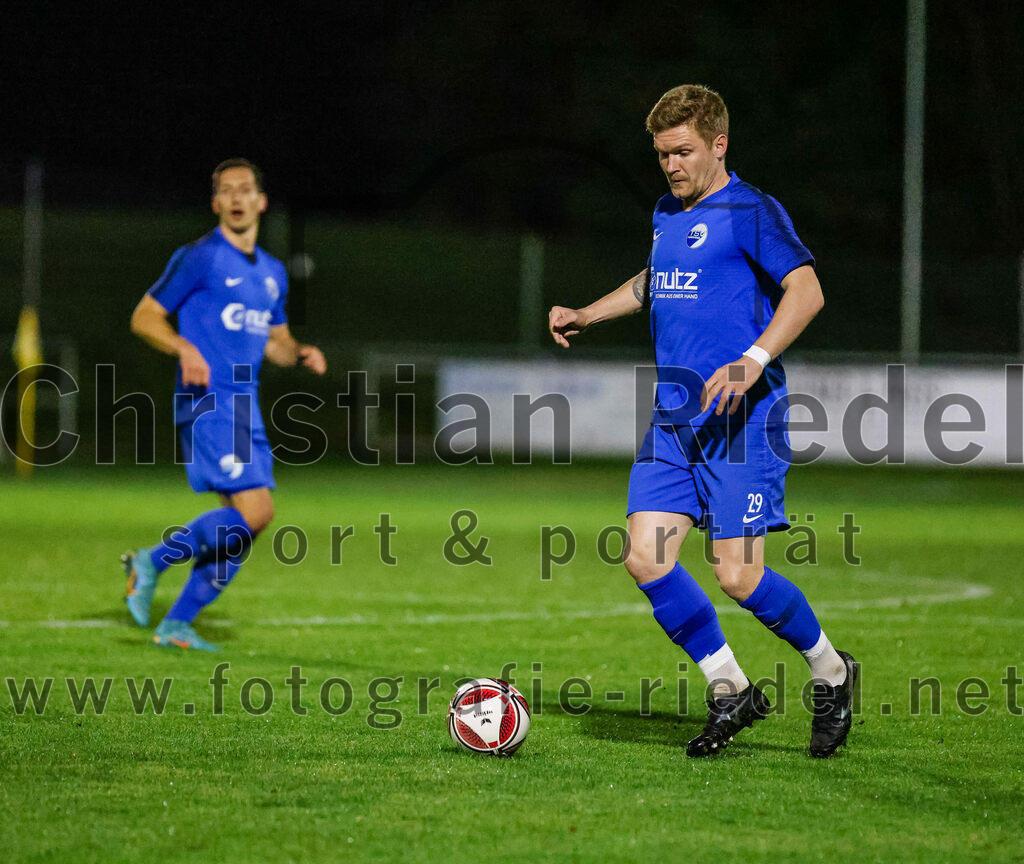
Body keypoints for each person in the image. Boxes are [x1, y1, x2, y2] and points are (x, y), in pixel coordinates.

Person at [548, 86, 857, 758]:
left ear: (719, 144)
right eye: (663, 154)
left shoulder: (751, 212)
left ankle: (832, 671)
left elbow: (807, 291)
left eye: (683, 151)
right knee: (644, 556)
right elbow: (654, 278)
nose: (671, 166)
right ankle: (730, 688)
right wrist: (587, 313)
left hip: (742, 424)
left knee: (738, 577)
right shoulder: (668, 212)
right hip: (674, 422)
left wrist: (751, 360)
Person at [122, 157, 326, 651]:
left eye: (245, 189)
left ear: (261, 201)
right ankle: (152, 560)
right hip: (210, 400)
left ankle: (175, 625)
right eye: (227, 190)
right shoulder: (201, 257)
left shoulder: (273, 272)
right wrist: (184, 348)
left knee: (240, 530)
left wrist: (299, 352)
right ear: (216, 203)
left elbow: (276, 341)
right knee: (257, 512)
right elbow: (144, 317)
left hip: (243, 405)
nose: (237, 197)